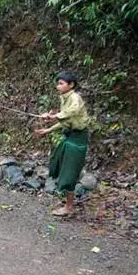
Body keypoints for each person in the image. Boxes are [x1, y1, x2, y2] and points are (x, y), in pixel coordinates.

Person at [35, 72, 90, 216]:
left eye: (61, 83)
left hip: (78, 140)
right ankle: (67, 203)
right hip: (70, 137)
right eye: (57, 83)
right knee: (58, 164)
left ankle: (69, 208)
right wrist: (48, 129)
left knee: (69, 172)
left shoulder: (74, 98)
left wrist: (53, 116)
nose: (58, 86)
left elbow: (72, 112)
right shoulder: (64, 99)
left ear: (71, 85)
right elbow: (65, 121)